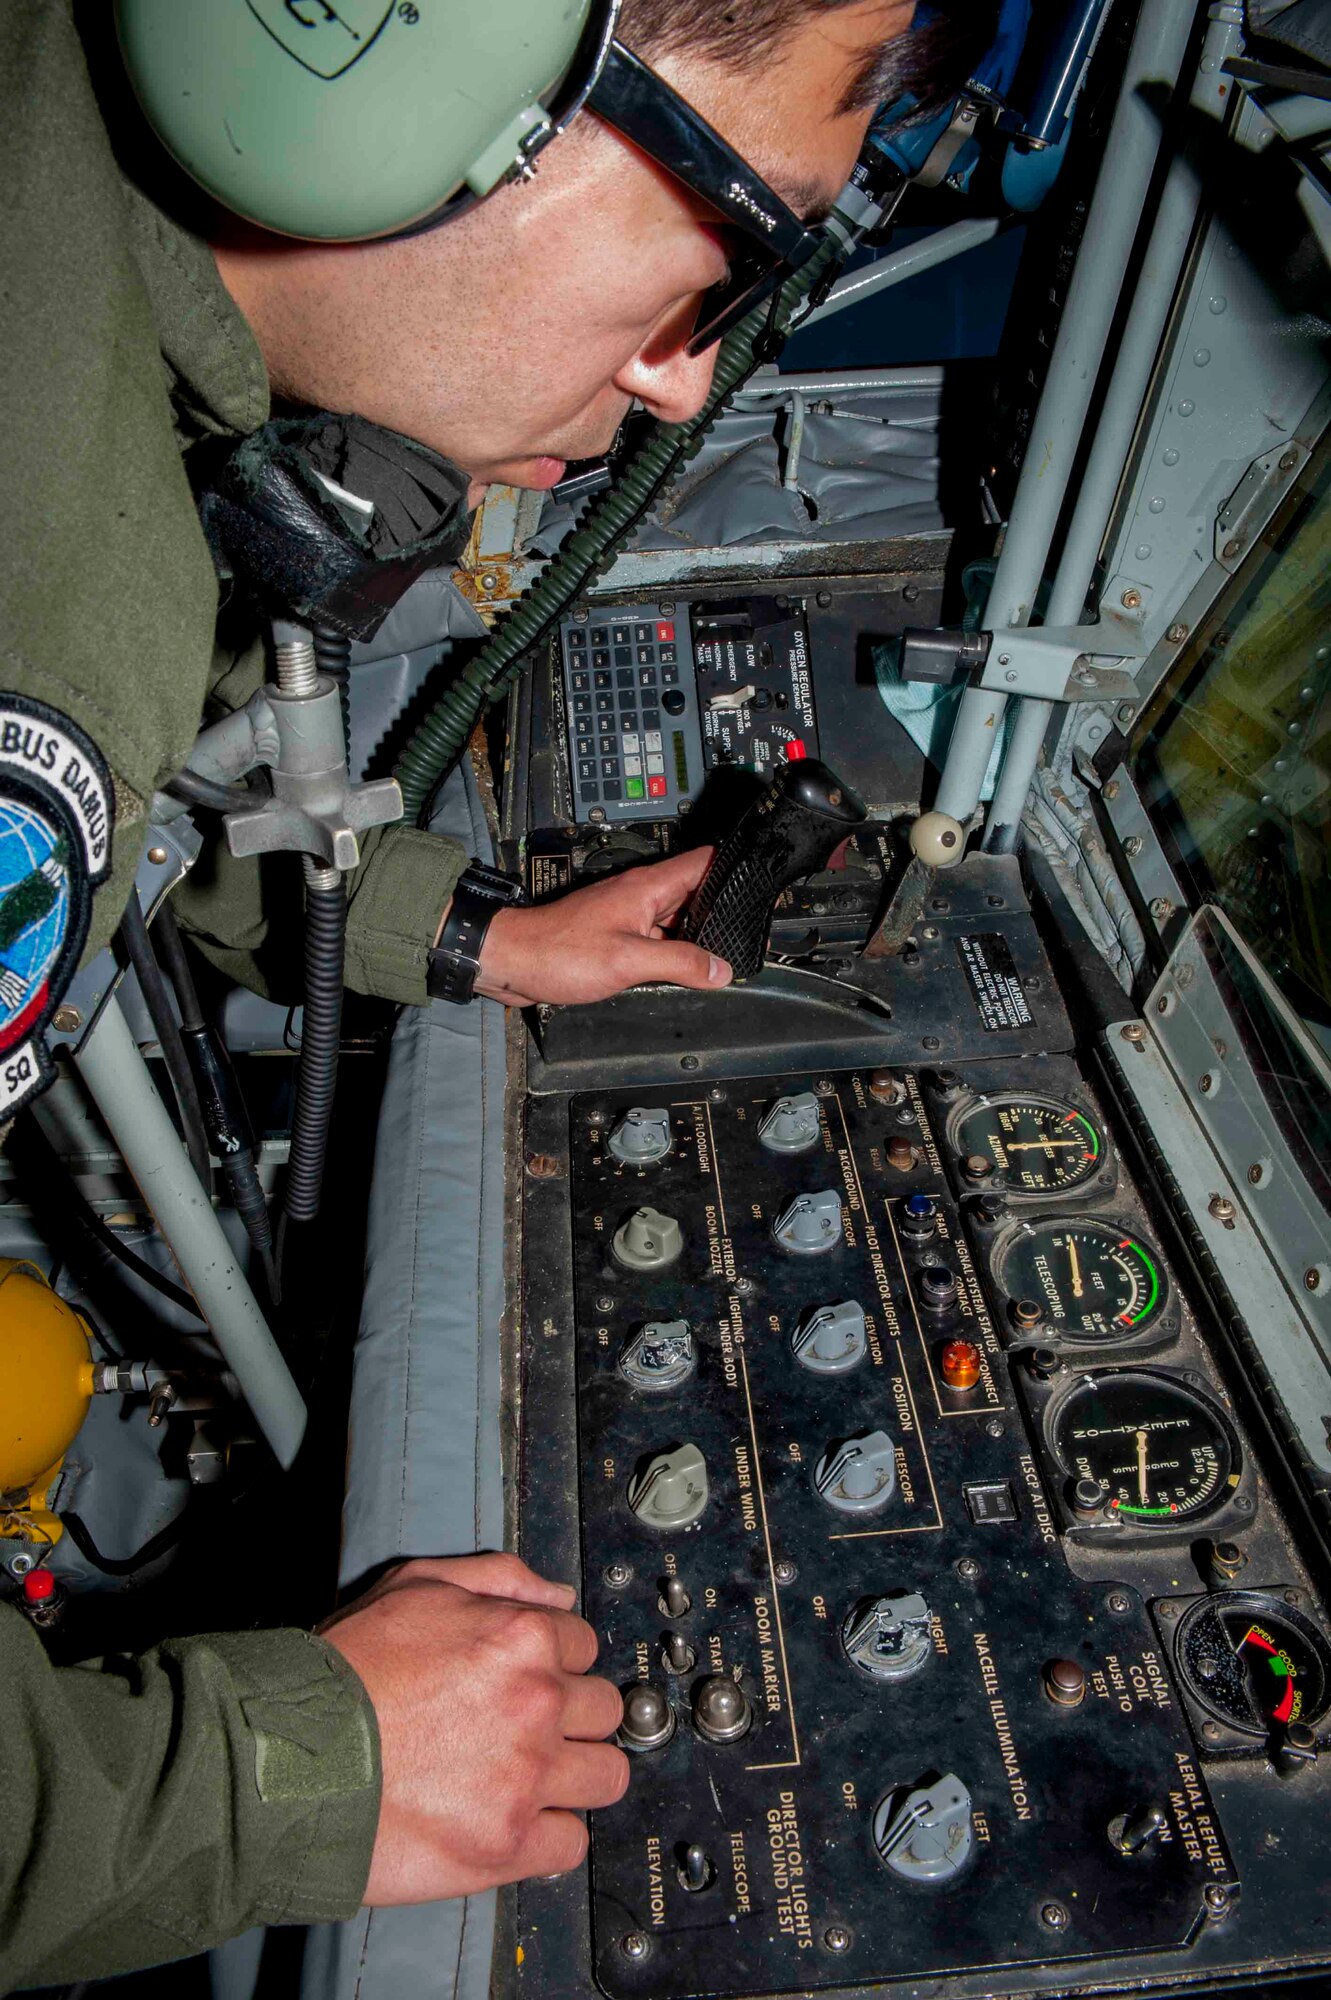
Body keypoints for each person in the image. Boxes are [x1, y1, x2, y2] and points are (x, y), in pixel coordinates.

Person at [0, 0, 979, 1986]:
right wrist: (270, 1783)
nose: (685, 383)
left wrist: (459, 930)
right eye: (735, 246)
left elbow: (139, 841)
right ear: (412, 55)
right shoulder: (43, 605)